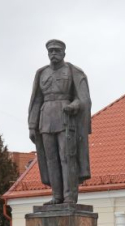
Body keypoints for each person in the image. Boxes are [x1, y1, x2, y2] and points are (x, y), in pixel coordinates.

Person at [28, 39, 92, 205]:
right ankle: (57, 196)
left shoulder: (73, 71)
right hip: (46, 119)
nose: (54, 54)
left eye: (57, 51)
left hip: (66, 119)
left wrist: (74, 105)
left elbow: (83, 99)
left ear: (64, 53)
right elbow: (36, 101)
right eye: (51, 51)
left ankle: (69, 196)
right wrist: (32, 125)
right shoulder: (41, 73)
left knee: (67, 157)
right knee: (51, 159)